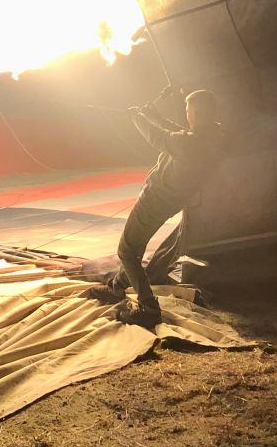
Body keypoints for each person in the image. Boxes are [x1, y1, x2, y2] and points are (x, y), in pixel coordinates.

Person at [87, 86, 225, 327]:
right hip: (171, 200)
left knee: (127, 250)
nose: (187, 115)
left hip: (155, 201)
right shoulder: (213, 136)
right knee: (135, 246)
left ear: (197, 113)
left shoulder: (191, 144)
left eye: (188, 111)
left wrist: (138, 118)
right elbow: (178, 134)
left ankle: (148, 306)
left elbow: (159, 138)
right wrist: (155, 116)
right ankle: (117, 287)